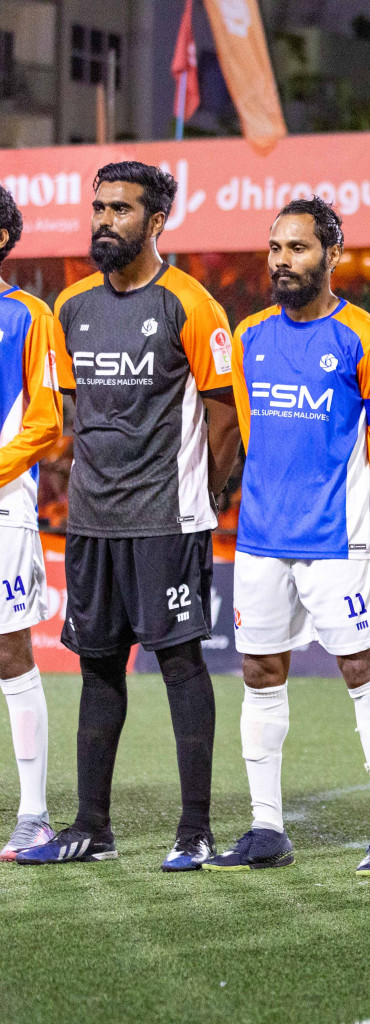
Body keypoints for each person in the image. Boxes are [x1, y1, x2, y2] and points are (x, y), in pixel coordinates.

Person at [18, 162, 240, 870]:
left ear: (156, 221)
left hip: (166, 520)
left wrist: (205, 493)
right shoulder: (71, 307)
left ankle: (195, 829)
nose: (104, 220)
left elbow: (223, 416)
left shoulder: (190, 303)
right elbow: (75, 408)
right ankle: (92, 827)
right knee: (97, 667)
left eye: (121, 209)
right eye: (99, 207)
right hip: (90, 521)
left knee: (179, 662)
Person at [202, 197, 370, 875]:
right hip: (260, 536)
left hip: (337, 538)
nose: (282, 261)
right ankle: (266, 828)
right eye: (275, 248)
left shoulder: (366, 340)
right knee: (260, 671)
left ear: (332, 254)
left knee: (359, 669)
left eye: (297, 248)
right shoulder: (249, 336)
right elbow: (239, 433)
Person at [0, 185, 68, 861]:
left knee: (10, 652)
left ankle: (34, 814)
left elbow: (47, 422)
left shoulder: (28, 316)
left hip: (3, 509)